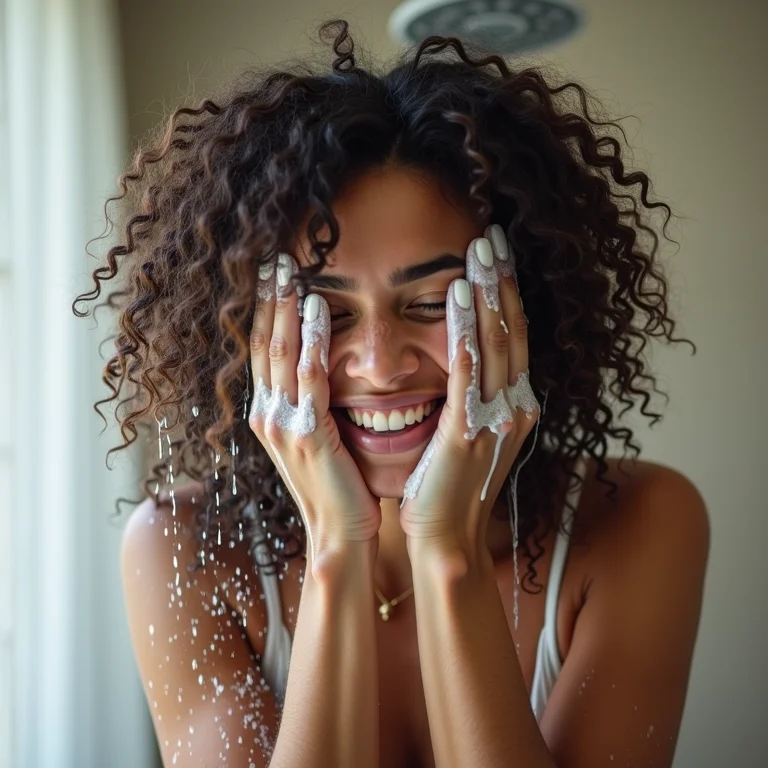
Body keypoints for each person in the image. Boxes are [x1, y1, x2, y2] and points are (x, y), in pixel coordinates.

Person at [72, 18, 710, 768]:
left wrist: (449, 552)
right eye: (326, 313)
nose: (378, 365)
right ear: (250, 333)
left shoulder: (640, 523)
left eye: (435, 303)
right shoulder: (181, 549)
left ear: (522, 308)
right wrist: (338, 552)